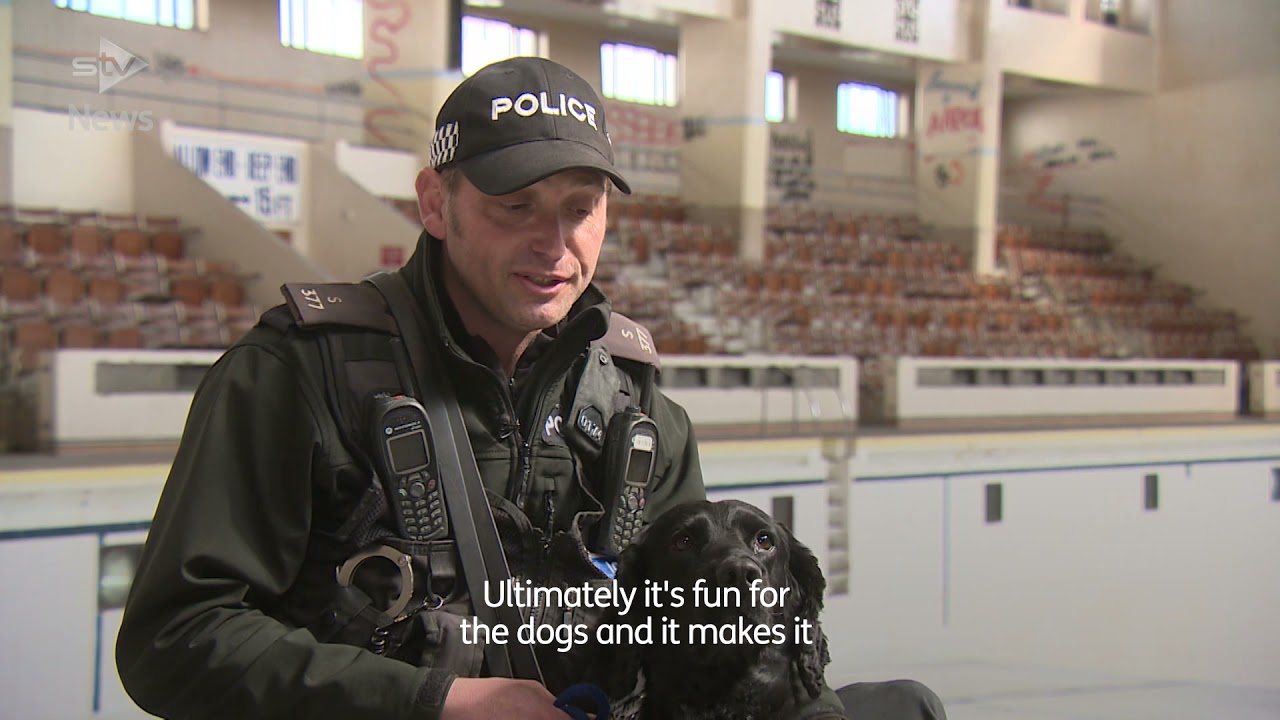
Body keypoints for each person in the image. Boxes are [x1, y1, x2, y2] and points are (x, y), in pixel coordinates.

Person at [116, 56, 945, 720]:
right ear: (437, 203)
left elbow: (696, 639)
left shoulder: (641, 413)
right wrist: (432, 701)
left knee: (909, 707)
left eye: (580, 209)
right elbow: (176, 639)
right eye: (517, 206)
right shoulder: (299, 379)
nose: (555, 245)